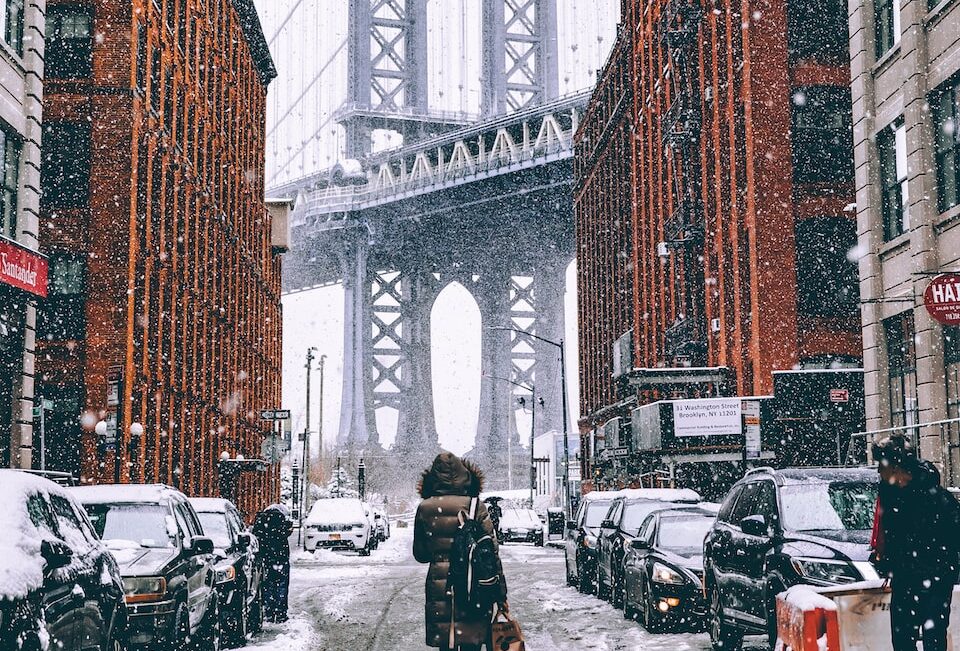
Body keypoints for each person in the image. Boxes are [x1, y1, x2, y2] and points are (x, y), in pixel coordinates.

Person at [871, 435, 960, 651]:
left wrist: (941, 571)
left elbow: (953, 540)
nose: (878, 472)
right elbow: (891, 536)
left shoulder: (938, 499)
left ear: (894, 467)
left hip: (935, 578)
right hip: (906, 578)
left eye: (880, 466)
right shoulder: (889, 494)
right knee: (903, 640)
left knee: (933, 638)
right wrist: (886, 561)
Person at [413, 453, 507, 651]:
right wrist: (501, 593)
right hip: (473, 584)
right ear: (465, 475)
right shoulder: (475, 506)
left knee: (446, 643)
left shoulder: (425, 508)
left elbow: (420, 554)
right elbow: (491, 552)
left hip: (440, 584)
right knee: (471, 643)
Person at [253, 503, 294, 623]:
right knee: (281, 584)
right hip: (281, 557)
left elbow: (257, 536)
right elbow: (285, 533)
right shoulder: (281, 520)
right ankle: (281, 612)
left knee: (267, 583)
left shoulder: (262, 520)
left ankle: (269, 611)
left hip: (266, 557)